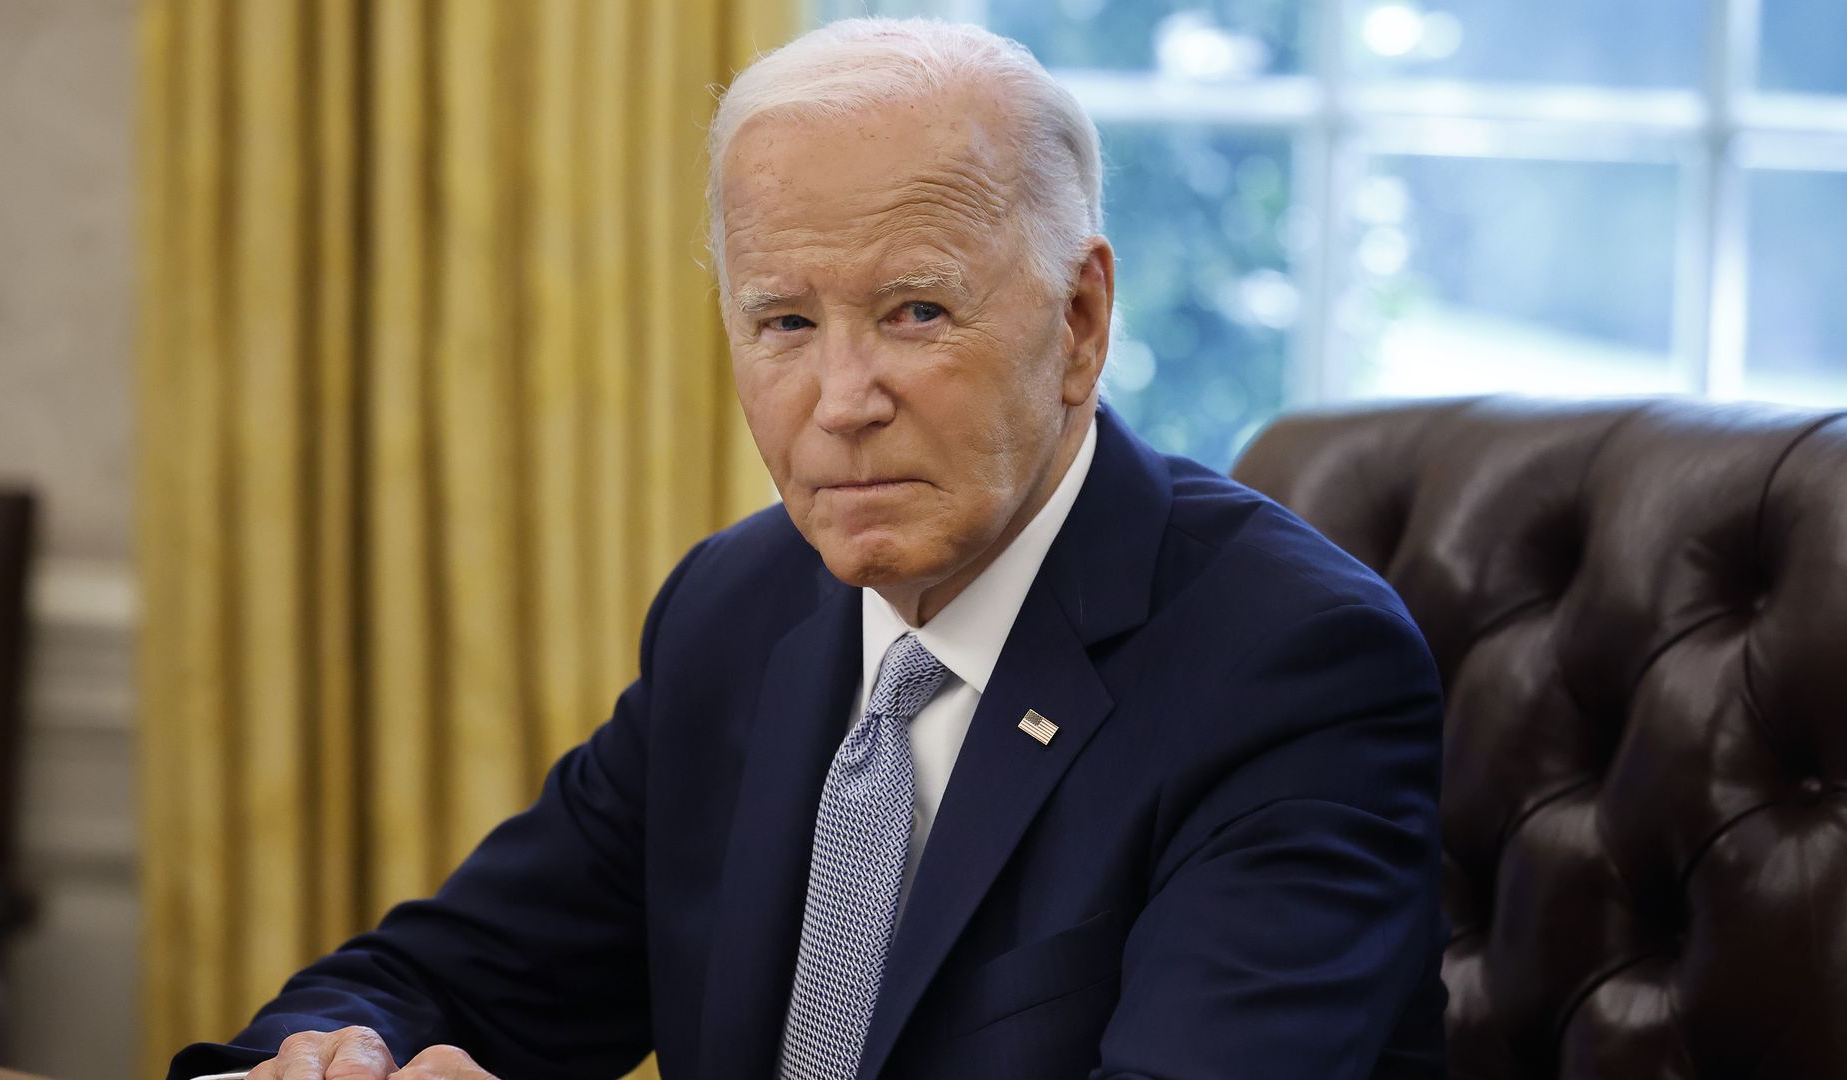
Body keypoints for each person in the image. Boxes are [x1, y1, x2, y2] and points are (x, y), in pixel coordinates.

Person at [169, 17, 1446, 1080]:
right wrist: (337, 1061)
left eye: (916, 311)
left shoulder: (1289, 668)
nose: (841, 399)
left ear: (1079, 321)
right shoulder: (739, 607)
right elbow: (433, 981)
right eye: (782, 320)